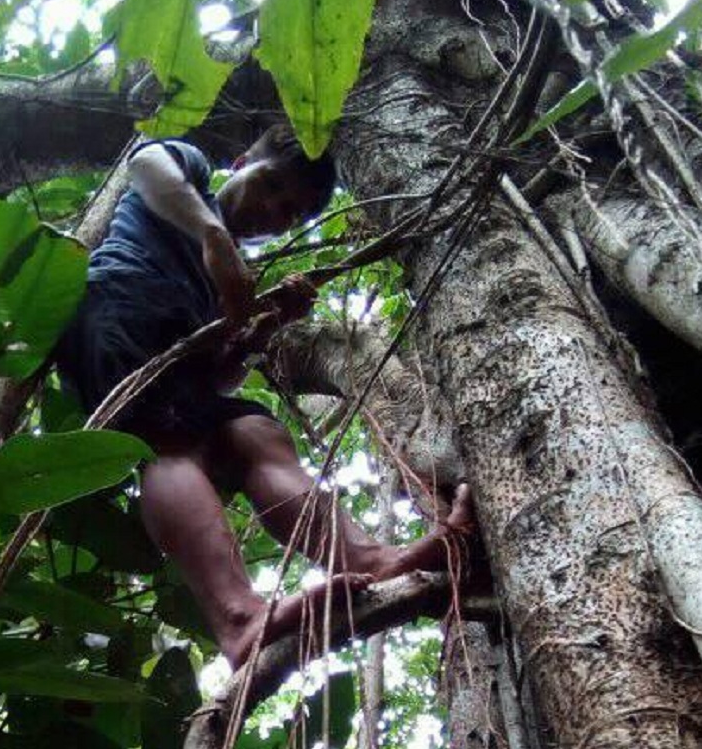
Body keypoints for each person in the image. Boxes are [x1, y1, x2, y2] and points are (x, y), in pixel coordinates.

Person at [56, 125, 473, 669]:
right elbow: (146, 164)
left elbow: (218, 381)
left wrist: (262, 330)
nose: (274, 212)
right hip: (121, 305)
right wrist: (213, 237)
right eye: (273, 185)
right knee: (167, 444)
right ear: (241, 158)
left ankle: (370, 559)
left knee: (256, 431)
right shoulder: (193, 181)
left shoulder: (233, 278)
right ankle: (237, 615)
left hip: (181, 362)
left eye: (290, 213)